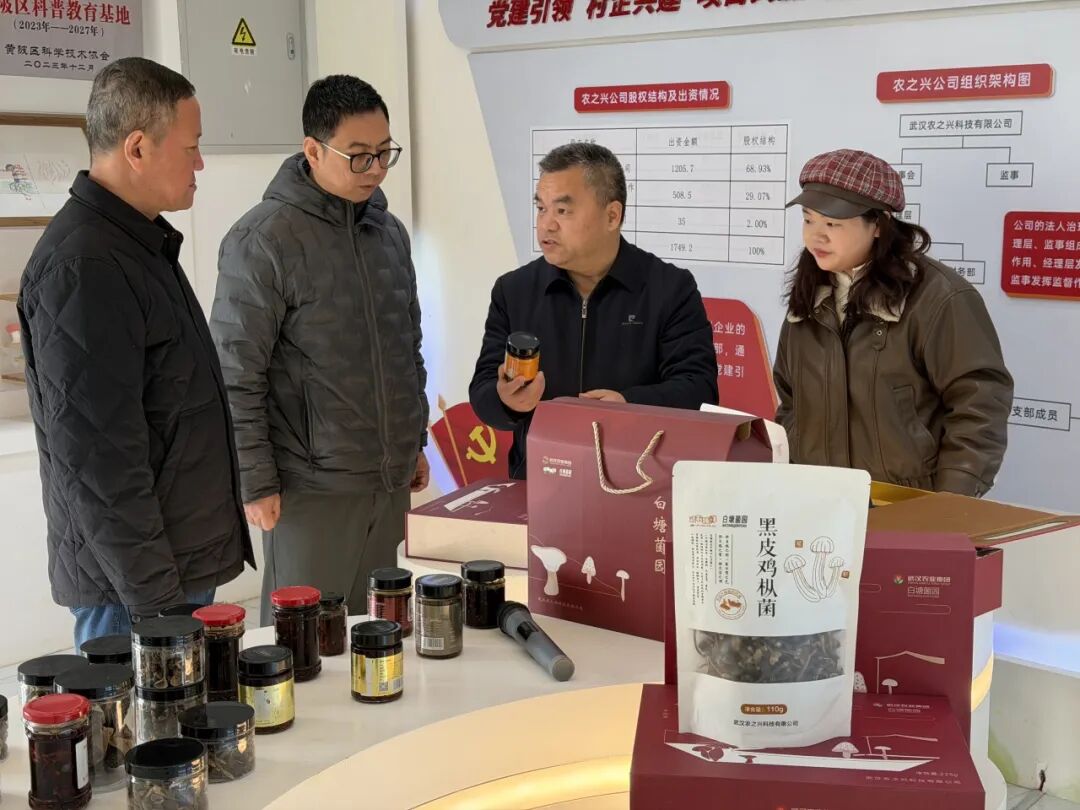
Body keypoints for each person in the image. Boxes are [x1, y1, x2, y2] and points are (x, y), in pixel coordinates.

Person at [18, 57, 254, 648]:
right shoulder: (85, 266)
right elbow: (98, 460)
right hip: (137, 592)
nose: (200, 163)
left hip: (166, 570)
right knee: (133, 713)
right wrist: (154, 604)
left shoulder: (133, 244)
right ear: (138, 148)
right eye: (191, 147)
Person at [211, 75, 429, 625]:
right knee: (302, 645)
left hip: (387, 482)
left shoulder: (390, 235)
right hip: (309, 490)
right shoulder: (263, 239)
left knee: (381, 634)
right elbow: (236, 374)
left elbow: (407, 349)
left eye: (384, 153)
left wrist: (414, 442)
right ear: (313, 150)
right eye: (359, 156)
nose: (375, 169)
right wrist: (255, 481)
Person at [469, 142, 718, 480]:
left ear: (612, 215)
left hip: (638, 482)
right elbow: (483, 389)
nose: (546, 225)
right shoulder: (514, 290)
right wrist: (507, 401)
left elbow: (699, 389)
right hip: (541, 480)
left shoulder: (669, 289)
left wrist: (628, 405)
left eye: (562, 210)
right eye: (541, 208)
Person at [774, 148, 1013, 496]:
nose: (816, 236)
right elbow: (790, 399)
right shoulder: (809, 293)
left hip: (909, 503)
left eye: (833, 224)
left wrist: (949, 503)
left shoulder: (938, 297)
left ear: (879, 225)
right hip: (818, 500)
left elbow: (980, 405)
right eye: (809, 220)